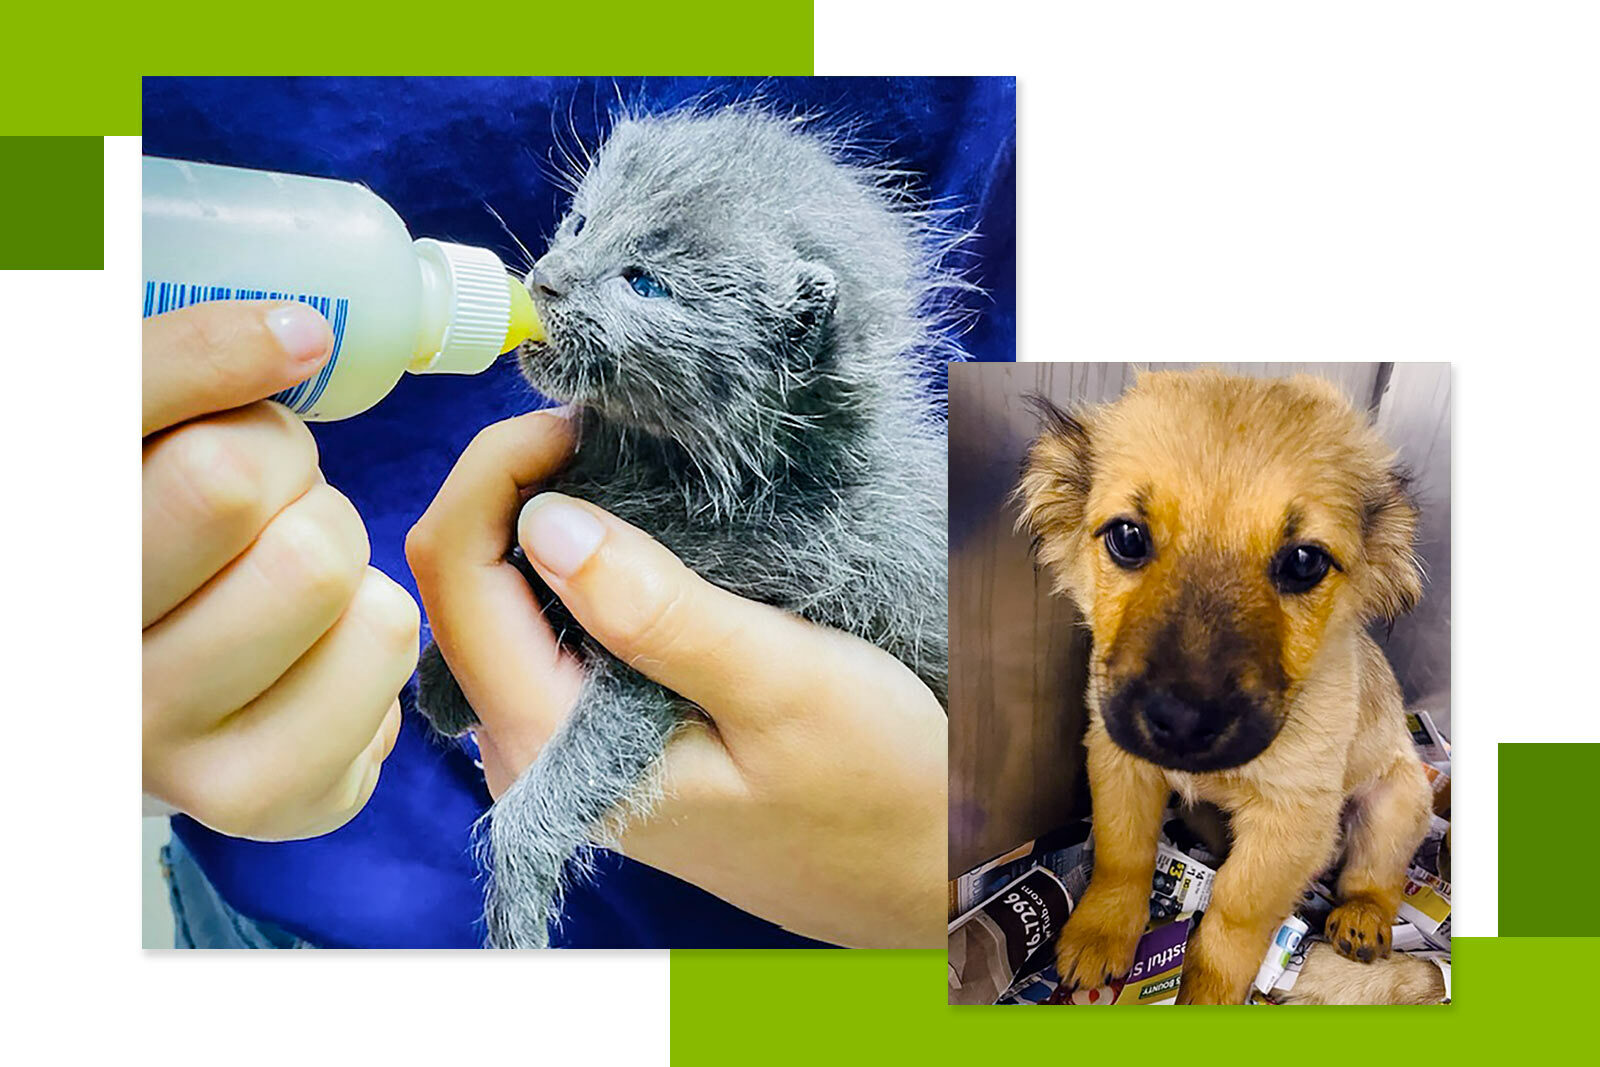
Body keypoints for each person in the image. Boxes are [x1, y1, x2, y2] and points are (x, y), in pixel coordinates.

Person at [144, 300, 947, 948]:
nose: (551, 274)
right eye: (579, 223)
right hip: (295, 905)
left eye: (647, 284)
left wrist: (959, 882)